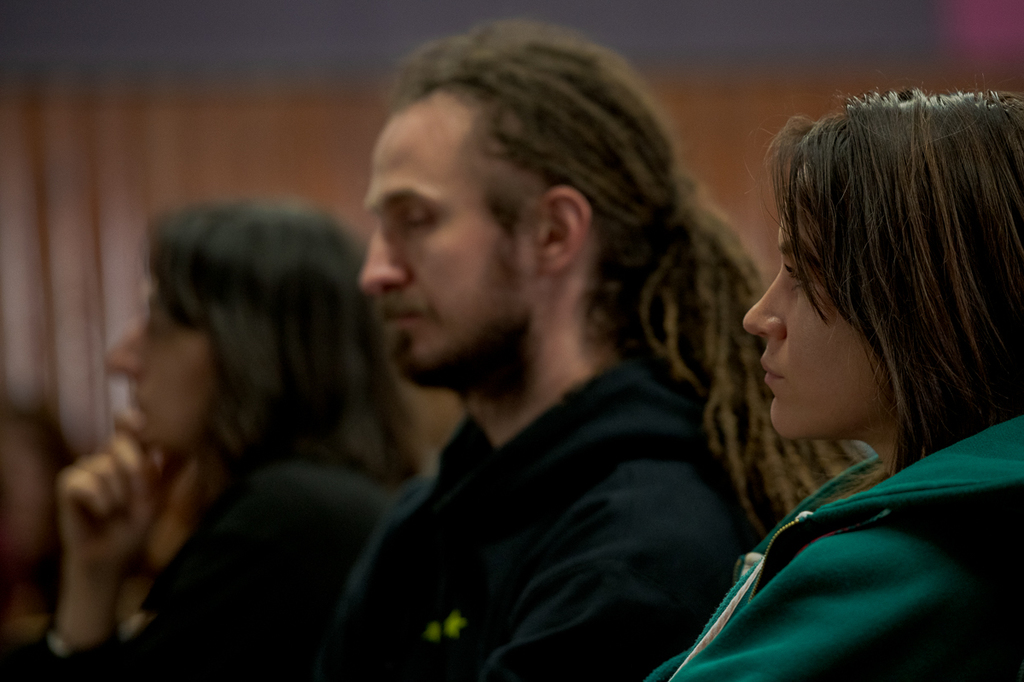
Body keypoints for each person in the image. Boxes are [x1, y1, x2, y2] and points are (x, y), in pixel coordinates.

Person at [315, 21, 854, 682]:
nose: (375, 271)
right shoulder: (425, 520)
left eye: (416, 221)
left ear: (553, 232)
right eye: (379, 226)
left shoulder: (642, 550)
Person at [646, 89, 1024, 682]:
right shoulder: (907, 512)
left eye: (800, 275)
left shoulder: (909, 567)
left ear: (924, 304)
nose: (758, 316)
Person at [0, 201, 413, 680]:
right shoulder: (320, 506)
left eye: (159, 324)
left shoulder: (287, 522)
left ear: (249, 347)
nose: (121, 359)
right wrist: (94, 576)